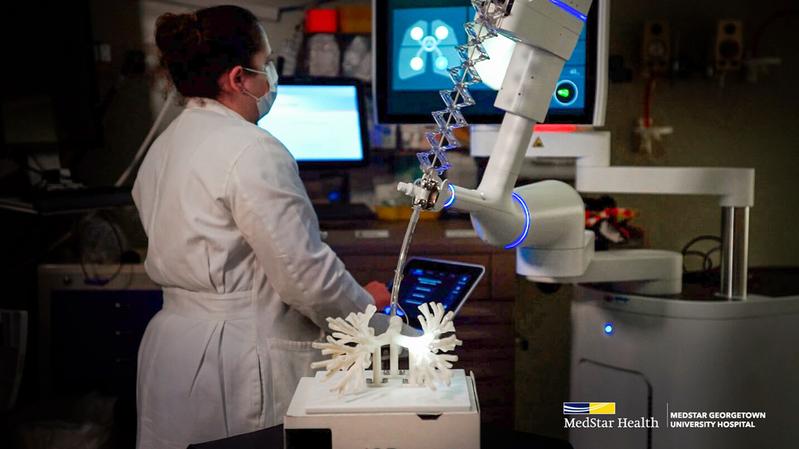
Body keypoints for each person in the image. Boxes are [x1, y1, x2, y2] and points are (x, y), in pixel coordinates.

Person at [132, 6, 390, 448]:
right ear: (237, 79)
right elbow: (306, 278)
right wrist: (370, 318)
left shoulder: (164, 146)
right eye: (266, 63)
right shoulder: (253, 150)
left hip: (171, 350)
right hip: (238, 360)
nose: (271, 76)